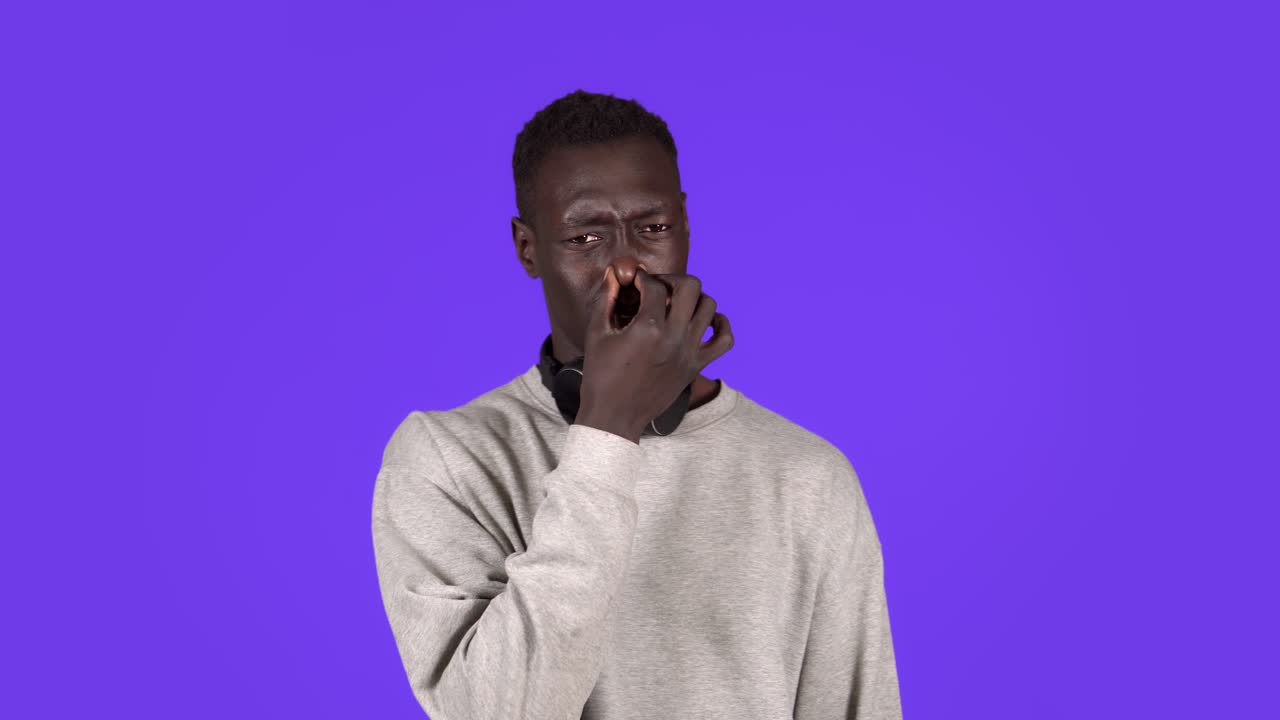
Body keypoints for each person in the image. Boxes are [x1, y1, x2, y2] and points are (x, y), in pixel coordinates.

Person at [371, 89, 903, 719]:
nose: (625, 265)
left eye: (653, 229)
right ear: (527, 248)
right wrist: (608, 429)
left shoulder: (809, 475)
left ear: (686, 226)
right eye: (584, 237)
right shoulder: (448, 461)